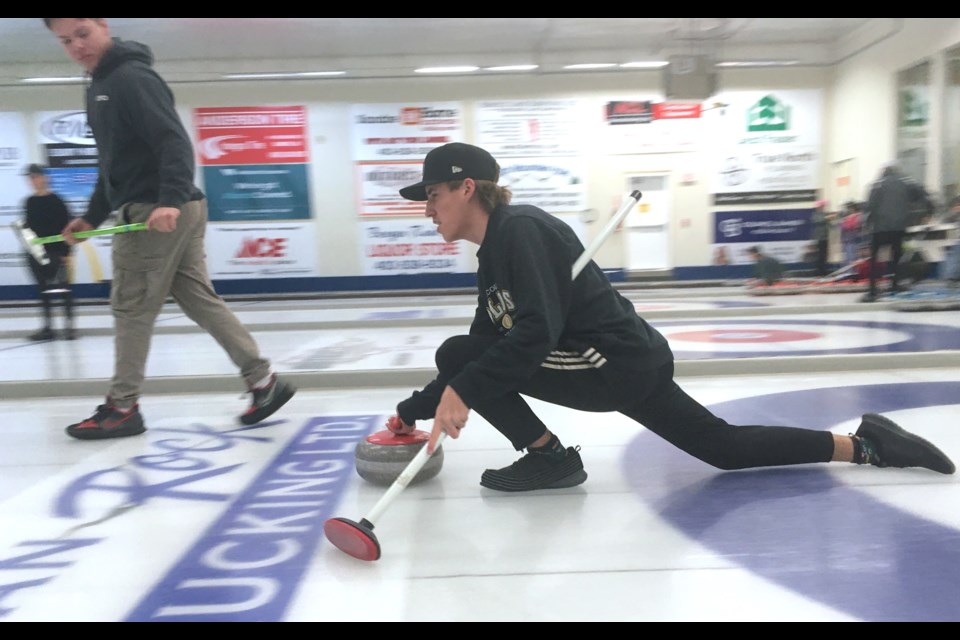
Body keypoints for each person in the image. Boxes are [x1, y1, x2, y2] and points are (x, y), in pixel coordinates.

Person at [383, 142, 954, 493]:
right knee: (722, 448)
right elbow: (487, 340)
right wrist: (412, 412)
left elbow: (535, 332)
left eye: (432, 195)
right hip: (604, 364)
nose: (427, 209)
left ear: (466, 187)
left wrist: (468, 384)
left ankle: (548, 459)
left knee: (464, 360)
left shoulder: (522, 230)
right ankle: (867, 443)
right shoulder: (495, 253)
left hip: (613, 363)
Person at [43, 18, 296, 440]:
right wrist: (91, 218)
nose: (77, 46)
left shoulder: (130, 77)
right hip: (167, 206)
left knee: (131, 308)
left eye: (83, 33)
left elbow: (173, 142)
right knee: (200, 300)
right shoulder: (100, 85)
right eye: (66, 41)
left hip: (156, 211)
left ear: (103, 24)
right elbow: (113, 166)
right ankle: (263, 383)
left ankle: (122, 407)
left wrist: (168, 201)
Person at [860, 163, 934, 302]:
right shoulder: (906, 183)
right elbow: (923, 194)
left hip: (880, 228)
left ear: (883, 173)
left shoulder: (877, 184)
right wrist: (927, 213)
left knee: (874, 259)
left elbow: (869, 207)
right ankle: (895, 284)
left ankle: (872, 291)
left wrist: (866, 227)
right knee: (896, 257)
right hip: (899, 227)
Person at [20, 163, 76, 341]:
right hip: (36, 254)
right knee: (43, 291)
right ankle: (48, 327)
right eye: (30, 178)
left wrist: (66, 253)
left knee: (64, 290)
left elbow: (68, 228)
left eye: (35, 177)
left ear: (45, 178)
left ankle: (69, 327)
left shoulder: (57, 201)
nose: (33, 181)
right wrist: (30, 250)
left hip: (57, 253)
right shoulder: (29, 202)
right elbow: (28, 228)